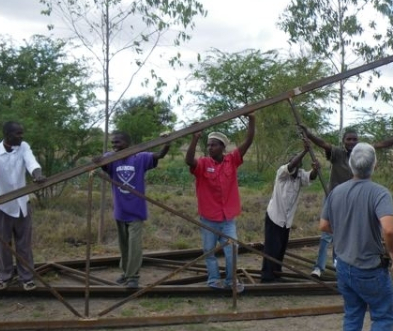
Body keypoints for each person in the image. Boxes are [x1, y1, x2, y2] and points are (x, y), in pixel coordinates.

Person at [320, 143, 393, 331]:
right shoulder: (379, 193)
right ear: (374, 165)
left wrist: (343, 234)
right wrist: (392, 251)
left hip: (343, 266)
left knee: (353, 317)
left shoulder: (337, 192)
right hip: (369, 269)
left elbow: (323, 225)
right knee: (384, 316)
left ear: (351, 165)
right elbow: (389, 228)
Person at [300, 124, 393, 278]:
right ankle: (318, 267)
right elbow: (323, 143)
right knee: (328, 233)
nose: (352, 142)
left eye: (355, 139)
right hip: (336, 199)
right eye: (349, 139)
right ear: (343, 141)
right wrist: (308, 133)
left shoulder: (363, 152)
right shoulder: (337, 153)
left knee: (348, 232)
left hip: (356, 199)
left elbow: (383, 144)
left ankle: (339, 263)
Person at [0, 121, 46, 291]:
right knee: (3, 244)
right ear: (7, 135)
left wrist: (38, 175)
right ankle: (5, 277)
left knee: (24, 245)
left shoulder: (23, 147)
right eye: (18, 134)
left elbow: (31, 162)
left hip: (22, 204)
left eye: (21, 133)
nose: (21, 137)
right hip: (2, 205)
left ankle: (26, 278)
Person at [185, 114, 255, 292]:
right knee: (209, 251)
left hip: (227, 218)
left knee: (232, 250)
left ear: (223, 147)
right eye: (208, 145)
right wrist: (194, 138)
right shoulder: (202, 163)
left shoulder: (232, 161)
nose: (210, 148)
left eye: (214, 145)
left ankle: (231, 280)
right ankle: (214, 280)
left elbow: (248, 141)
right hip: (208, 217)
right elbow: (188, 160)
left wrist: (251, 120)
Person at [96, 131, 170, 289]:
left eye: (118, 142)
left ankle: (133, 277)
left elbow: (159, 155)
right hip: (120, 210)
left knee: (134, 245)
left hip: (136, 211)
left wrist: (167, 144)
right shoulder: (111, 158)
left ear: (127, 143)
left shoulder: (140, 157)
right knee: (124, 246)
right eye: (113, 143)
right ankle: (125, 273)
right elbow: (102, 163)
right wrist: (98, 161)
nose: (115, 145)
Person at [260, 141, 319, 282]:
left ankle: (277, 273)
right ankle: (267, 277)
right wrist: (304, 152)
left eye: (298, 163)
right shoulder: (282, 173)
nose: (296, 165)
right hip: (274, 217)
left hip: (287, 221)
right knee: (271, 248)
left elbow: (311, 177)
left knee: (281, 248)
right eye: (293, 162)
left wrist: (316, 169)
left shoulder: (300, 176)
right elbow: (291, 166)